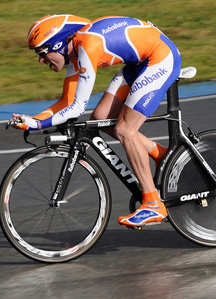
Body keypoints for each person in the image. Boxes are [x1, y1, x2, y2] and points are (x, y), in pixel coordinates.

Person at [11, 14, 182, 228]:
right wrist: (32, 119)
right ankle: (161, 155)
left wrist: (37, 125)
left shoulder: (87, 46)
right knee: (101, 118)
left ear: (57, 44)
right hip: (140, 62)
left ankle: (153, 203)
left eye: (43, 53)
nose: (40, 60)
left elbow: (76, 108)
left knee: (125, 130)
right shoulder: (73, 52)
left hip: (160, 59)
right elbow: (66, 101)